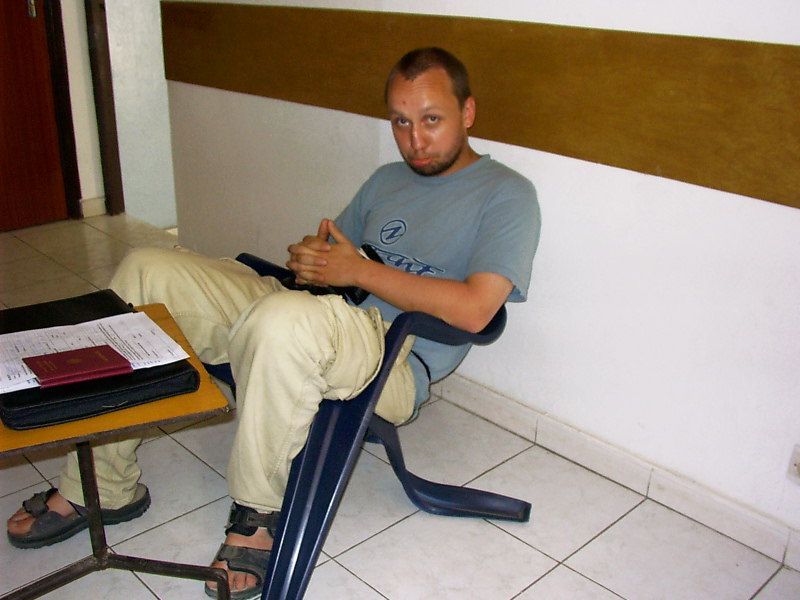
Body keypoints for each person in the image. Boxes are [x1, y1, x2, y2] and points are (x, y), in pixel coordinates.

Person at [6, 47, 541, 598]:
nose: (414, 140)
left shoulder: (507, 194)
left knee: (285, 320)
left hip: (394, 355)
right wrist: (315, 261)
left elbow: (477, 309)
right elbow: (334, 256)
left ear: (467, 112)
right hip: (316, 311)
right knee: (147, 268)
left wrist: (356, 271)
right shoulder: (387, 179)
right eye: (400, 122)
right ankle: (102, 486)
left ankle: (257, 516)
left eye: (431, 120)